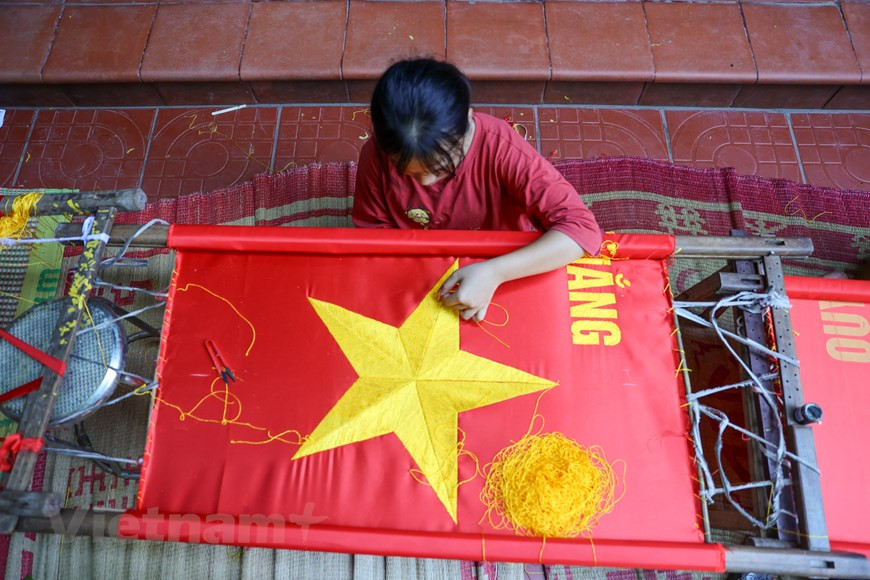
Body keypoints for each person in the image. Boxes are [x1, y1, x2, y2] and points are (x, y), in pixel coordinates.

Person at [353, 58, 602, 322]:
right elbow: (373, 232)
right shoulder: (375, 154)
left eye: (439, 167)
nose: (425, 183)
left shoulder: (501, 147)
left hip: (502, 263)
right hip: (416, 268)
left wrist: (494, 273)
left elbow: (581, 229)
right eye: (408, 171)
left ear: (467, 121)